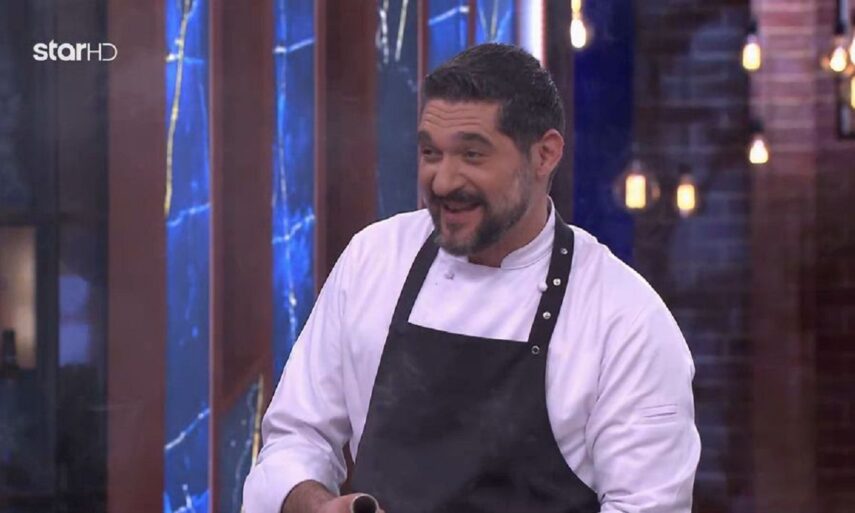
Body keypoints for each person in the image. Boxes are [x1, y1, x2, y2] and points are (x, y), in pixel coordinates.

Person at [243, 43, 700, 513]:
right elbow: (296, 437)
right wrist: (316, 505)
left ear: (544, 155)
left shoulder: (625, 320)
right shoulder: (374, 261)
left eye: (472, 155)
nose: (443, 181)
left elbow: (647, 506)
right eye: (430, 153)